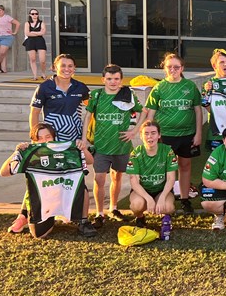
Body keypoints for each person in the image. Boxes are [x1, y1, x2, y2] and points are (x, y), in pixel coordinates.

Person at [0, 122, 96, 239]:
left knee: (82, 187)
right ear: (33, 141)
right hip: (43, 202)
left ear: (54, 138)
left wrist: (83, 149)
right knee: (39, 234)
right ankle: (25, 215)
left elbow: (90, 161)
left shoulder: (64, 151)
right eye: (39, 138)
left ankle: (83, 221)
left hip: (63, 196)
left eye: (48, 137)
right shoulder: (32, 154)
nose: (44, 141)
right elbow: (3, 172)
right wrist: (17, 152)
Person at [81, 64, 143, 227]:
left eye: (116, 79)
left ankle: (113, 208)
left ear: (121, 80)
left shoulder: (127, 94)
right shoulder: (97, 95)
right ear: (103, 80)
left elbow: (142, 111)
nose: (113, 82)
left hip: (121, 145)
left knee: (117, 176)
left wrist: (134, 131)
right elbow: (87, 116)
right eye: (109, 79)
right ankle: (99, 213)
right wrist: (84, 139)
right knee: (99, 178)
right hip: (101, 146)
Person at [141, 53, 203, 213]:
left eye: (176, 67)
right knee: (165, 167)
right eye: (170, 67)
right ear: (165, 68)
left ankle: (184, 199)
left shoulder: (189, 86)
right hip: (165, 135)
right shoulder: (159, 87)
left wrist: (198, 133)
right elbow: (151, 113)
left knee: (185, 165)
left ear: (182, 68)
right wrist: (149, 134)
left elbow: (198, 111)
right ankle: (163, 197)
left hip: (187, 134)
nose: (173, 70)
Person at [126, 120, 177, 228]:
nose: (150, 137)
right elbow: (134, 182)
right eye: (146, 133)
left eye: (153, 133)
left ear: (159, 135)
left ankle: (165, 217)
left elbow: (171, 178)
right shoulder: (135, 153)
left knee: (168, 207)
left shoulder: (168, 151)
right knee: (136, 205)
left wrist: (162, 197)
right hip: (143, 191)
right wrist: (148, 199)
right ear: (141, 136)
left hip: (161, 190)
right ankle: (140, 217)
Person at [30, 53, 90, 142]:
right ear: (55, 67)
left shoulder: (80, 87)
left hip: (75, 140)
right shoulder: (44, 87)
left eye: (70, 66)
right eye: (63, 66)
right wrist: (35, 139)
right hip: (51, 139)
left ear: (74, 68)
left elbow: (92, 109)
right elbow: (34, 114)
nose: (67, 69)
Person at [0, 5, 20, 73]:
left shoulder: (7, 17)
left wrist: (15, 32)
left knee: (2, 52)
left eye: (0, 10)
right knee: (3, 54)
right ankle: (3, 69)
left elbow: (17, 23)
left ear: (3, 11)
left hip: (7, 37)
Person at [23, 9, 48, 80]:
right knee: (32, 59)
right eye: (33, 14)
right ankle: (35, 76)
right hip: (30, 41)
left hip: (40, 41)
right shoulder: (27, 23)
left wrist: (33, 32)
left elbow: (43, 32)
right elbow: (27, 33)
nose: (34, 15)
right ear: (30, 15)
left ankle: (43, 73)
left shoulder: (41, 23)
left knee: (42, 60)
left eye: (36, 14)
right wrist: (38, 33)